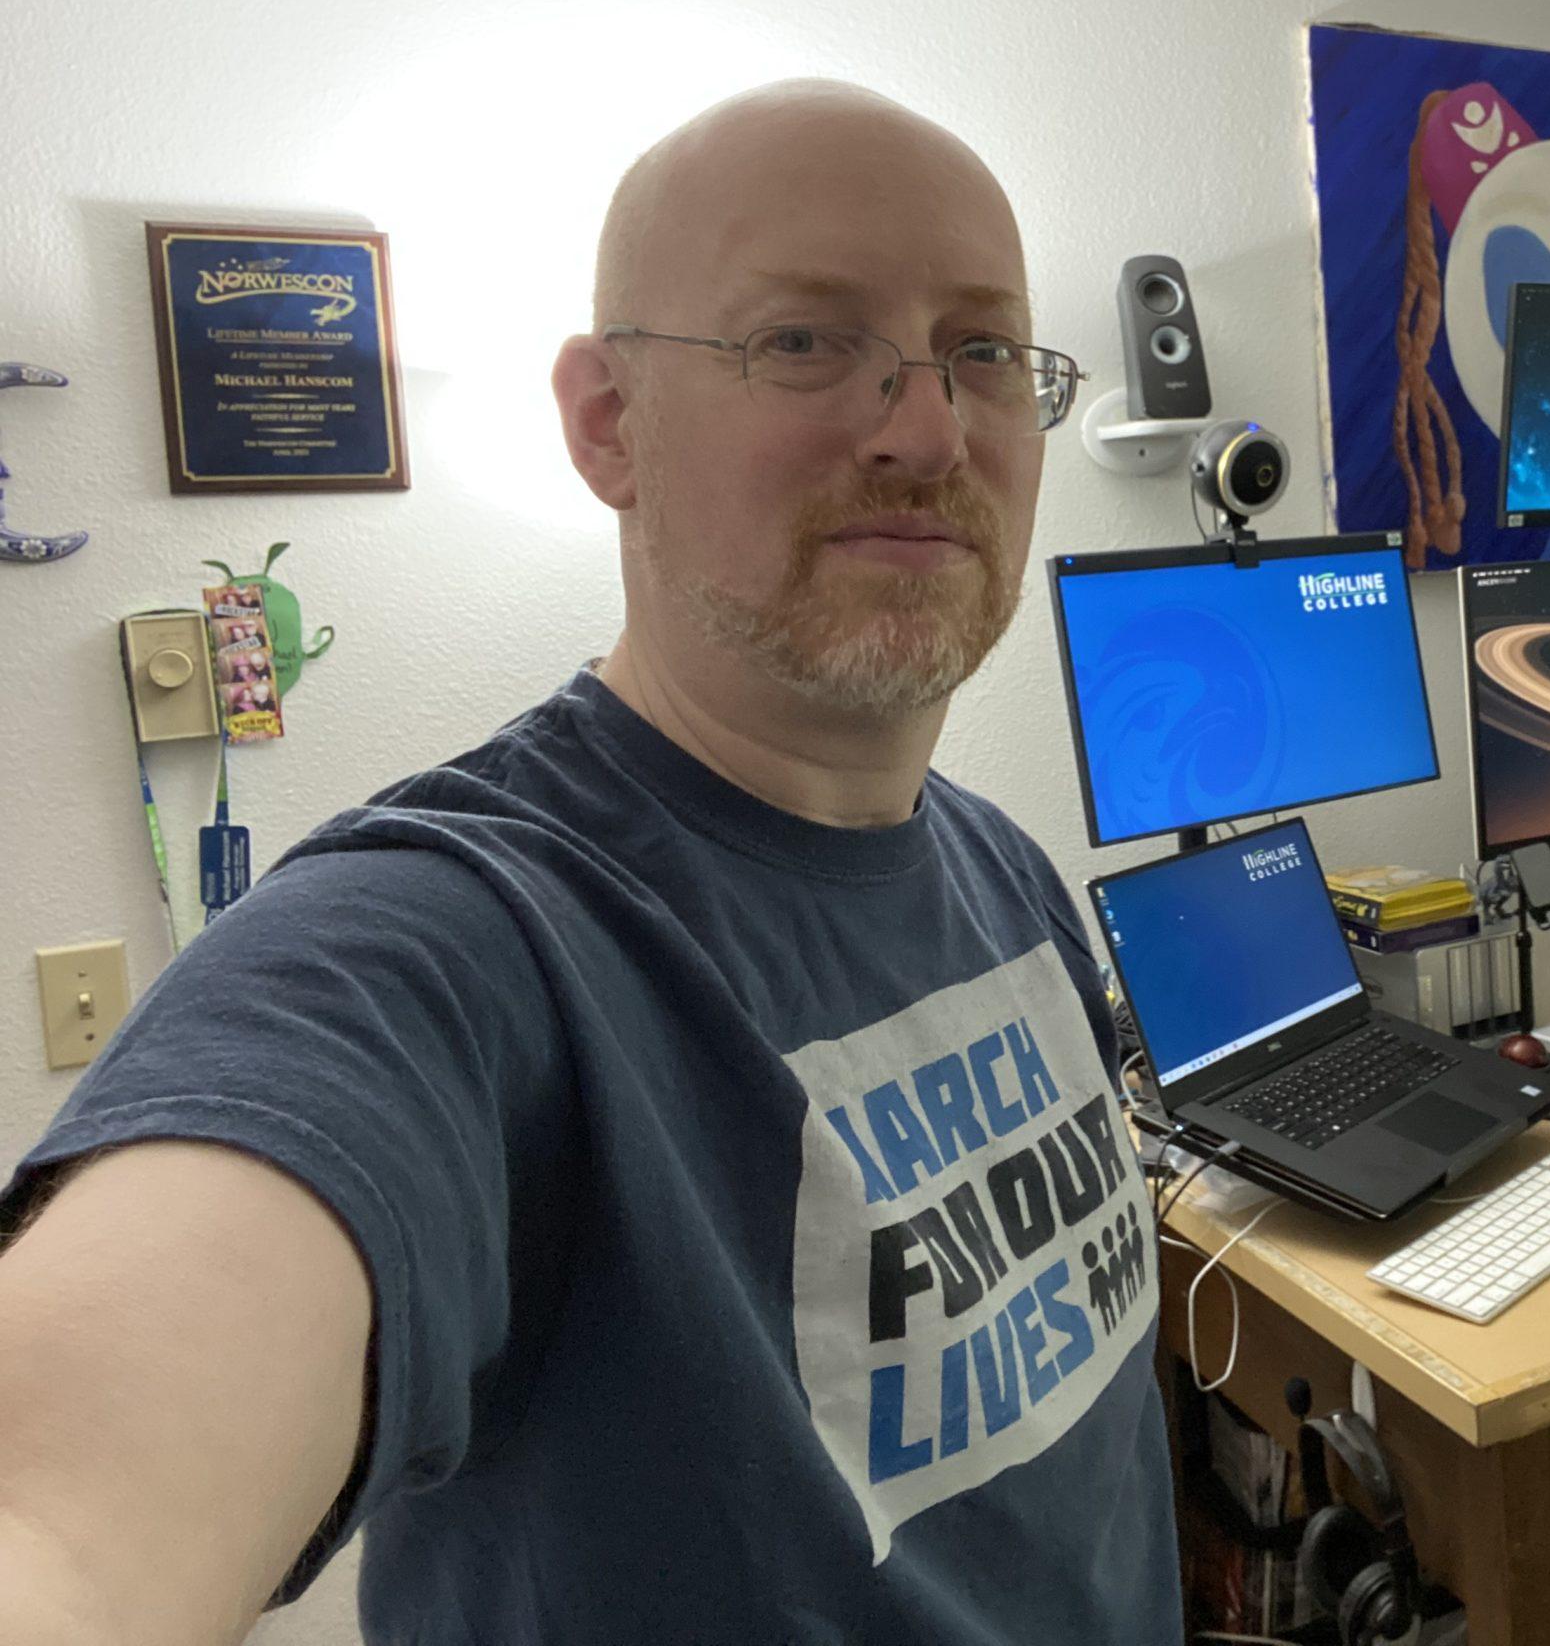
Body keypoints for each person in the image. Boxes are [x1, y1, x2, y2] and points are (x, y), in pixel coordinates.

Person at [0, 81, 1183, 1644]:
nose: (925, 428)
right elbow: (64, 1522)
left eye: (980, 349)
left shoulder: (1004, 876)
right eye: (807, 341)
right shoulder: (454, 945)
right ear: (608, 424)